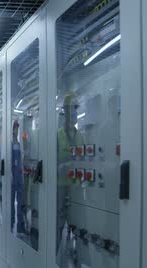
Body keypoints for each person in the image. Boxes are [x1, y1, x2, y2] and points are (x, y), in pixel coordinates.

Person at [56, 91, 83, 250]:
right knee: (59, 221)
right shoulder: (58, 136)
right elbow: (52, 163)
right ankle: (55, 253)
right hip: (61, 185)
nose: (74, 113)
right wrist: (63, 166)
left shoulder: (80, 135)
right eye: (71, 109)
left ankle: (77, 256)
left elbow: (85, 159)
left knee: (77, 220)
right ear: (65, 112)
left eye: (76, 109)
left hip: (76, 186)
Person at [10, 120, 25, 233]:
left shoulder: (18, 144)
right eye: (15, 128)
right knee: (11, 201)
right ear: (12, 130)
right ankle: (11, 223)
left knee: (20, 201)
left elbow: (20, 160)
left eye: (18, 129)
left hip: (19, 175)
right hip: (12, 175)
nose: (17, 130)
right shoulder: (10, 144)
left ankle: (20, 225)